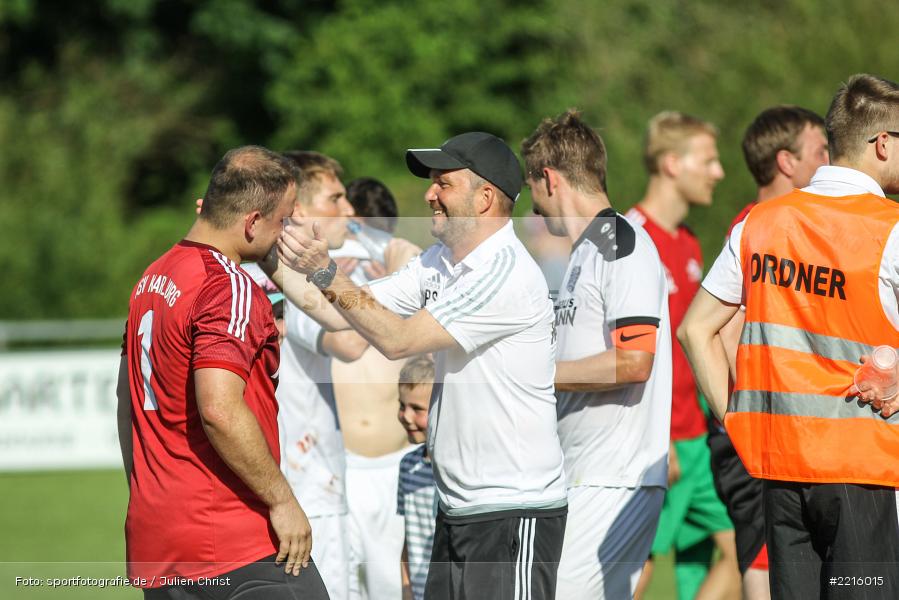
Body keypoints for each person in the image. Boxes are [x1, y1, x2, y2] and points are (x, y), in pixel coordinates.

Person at [278, 131, 568, 600]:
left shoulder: (504, 272)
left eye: (443, 184)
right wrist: (269, 251)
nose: (429, 194)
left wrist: (326, 270)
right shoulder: (441, 261)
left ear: (486, 198)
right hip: (458, 507)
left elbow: (398, 339)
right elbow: (343, 312)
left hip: (511, 510)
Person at [679, 73, 899, 599]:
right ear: (883, 143)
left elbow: (695, 328)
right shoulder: (889, 228)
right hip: (861, 473)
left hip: (780, 470)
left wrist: (733, 419)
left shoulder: (760, 222)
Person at [116, 145, 329, 599]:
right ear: (252, 222)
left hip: (159, 536)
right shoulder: (227, 286)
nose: (287, 231)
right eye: (284, 219)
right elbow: (219, 408)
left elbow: (126, 403)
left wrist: (153, 488)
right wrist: (282, 500)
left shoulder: (153, 277)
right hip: (231, 535)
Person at [521, 109, 672, 600]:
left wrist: (534, 373)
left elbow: (634, 362)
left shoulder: (620, 242)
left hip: (613, 477)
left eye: (533, 191)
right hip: (584, 473)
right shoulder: (585, 251)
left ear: (549, 179)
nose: (534, 209)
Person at [707, 105, 828, 600]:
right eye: (821, 151)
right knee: (767, 566)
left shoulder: (786, 226)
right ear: (786, 162)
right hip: (759, 435)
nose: (830, 162)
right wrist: (750, 419)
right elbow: (721, 329)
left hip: (782, 432)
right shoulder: (757, 226)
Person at [626, 111, 739, 600]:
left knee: (745, 551)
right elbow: (621, 352)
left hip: (697, 436)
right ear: (672, 163)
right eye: (708, 160)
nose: (718, 172)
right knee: (637, 569)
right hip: (659, 441)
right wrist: (657, 434)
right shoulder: (628, 238)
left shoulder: (690, 241)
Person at [274, 151, 369, 600]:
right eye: (336, 198)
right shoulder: (294, 279)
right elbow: (351, 342)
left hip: (276, 483)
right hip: (312, 487)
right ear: (298, 211)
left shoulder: (248, 270)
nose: (348, 211)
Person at [332, 177, 418, 600]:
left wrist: (392, 288)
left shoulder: (411, 280)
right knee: (339, 589)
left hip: (395, 462)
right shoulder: (320, 281)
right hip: (338, 466)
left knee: (394, 587)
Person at [395, 355, 437, 600]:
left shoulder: (458, 471)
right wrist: (406, 588)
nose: (406, 416)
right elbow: (408, 539)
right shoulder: (407, 465)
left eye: (418, 409)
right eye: (402, 405)